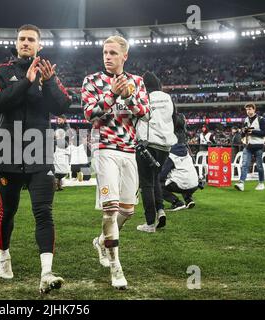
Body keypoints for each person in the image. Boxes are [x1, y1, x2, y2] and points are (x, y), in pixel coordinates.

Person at [0, 24, 71, 293]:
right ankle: (4, 256)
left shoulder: (48, 73)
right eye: (22, 38)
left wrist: (47, 84)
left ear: (39, 45)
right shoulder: (1, 71)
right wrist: (27, 81)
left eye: (31, 39)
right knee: (7, 212)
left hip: (40, 150)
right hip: (7, 150)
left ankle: (46, 272)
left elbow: (62, 106)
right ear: (16, 42)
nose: (26, 42)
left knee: (43, 213)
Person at [81, 35, 150, 289]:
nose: (107, 57)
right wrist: (112, 94)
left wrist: (129, 96)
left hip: (128, 151)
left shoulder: (137, 82)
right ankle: (115, 267)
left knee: (128, 211)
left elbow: (146, 113)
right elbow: (90, 113)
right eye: (104, 52)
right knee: (110, 209)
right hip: (104, 149)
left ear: (124, 56)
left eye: (112, 53)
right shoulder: (92, 81)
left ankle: (101, 241)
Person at [135, 71, 177, 233]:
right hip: (165, 146)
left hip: (148, 144)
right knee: (155, 179)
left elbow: (137, 115)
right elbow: (174, 118)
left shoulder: (144, 97)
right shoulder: (168, 98)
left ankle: (150, 223)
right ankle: (160, 211)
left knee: (146, 184)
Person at [234, 103, 265, 191]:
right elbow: (244, 132)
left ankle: (261, 183)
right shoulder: (246, 120)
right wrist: (243, 132)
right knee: (244, 164)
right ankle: (241, 183)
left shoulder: (261, 119)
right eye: (247, 109)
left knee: (259, 166)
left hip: (259, 145)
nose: (248, 111)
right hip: (248, 145)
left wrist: (252, 132)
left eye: (249, 109)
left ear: (254, 109)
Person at [159, 143, 200, 210]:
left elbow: (162, 175)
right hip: (195, 184)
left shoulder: (171, 156)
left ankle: (177, 202)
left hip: (183, 184)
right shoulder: (187, 154)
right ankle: (188, 200)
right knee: (182, 178)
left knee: (158, 185)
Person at [53, 115, 71, 191]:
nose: (58, 121)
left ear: (64, 119)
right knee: (57, 166)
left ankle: (59, 184)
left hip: (63, 148)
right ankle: (57, 184)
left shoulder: (66, 128)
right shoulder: (58, 127)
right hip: (58, 148)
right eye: (58, 120)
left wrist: (56, 140)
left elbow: (65, 140)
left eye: (60, 120)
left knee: (62, 166)